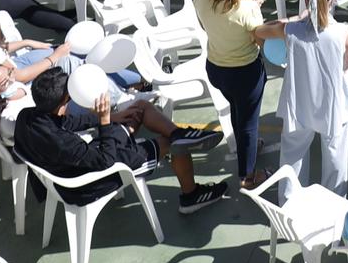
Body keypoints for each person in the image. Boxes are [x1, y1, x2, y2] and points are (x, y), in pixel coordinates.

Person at [12, 66, 226, 215]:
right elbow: (106, 160)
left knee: (139, 109)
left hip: (79, 163)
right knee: (171, 145)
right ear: (60, 105)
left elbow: (69, 122)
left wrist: (112, 117)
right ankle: (191, 196)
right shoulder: (62, 143)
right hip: (90, 180)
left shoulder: (29, 116)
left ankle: (179, 133)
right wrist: (104, 121)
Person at [193, 0, 275, 190]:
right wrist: (253, 8)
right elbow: (260, 42)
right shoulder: (248, 11)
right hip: (245, 73)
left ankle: (247, 148)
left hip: (217, 69)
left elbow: (212, 22)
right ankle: (247, 177)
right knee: (249, 123)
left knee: (238, 111)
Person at [279, 0, 348, 190]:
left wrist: (297, 19)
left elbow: (263, 31)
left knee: (292, 156)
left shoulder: (290, 30)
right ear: (331, 1)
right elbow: (345, 66)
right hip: (332, 105)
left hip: (299, 104)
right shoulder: (342, 32)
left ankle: (289, 204)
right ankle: (334, 204)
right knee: (334, 158)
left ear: (305, 0)